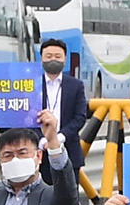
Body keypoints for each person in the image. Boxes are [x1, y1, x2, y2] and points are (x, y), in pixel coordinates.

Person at [39, 38, 92, 172]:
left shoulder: (76, 85)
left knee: (69, 192)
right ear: (41, 59)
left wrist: (59, 138)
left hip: (69, 150)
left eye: (58, 56)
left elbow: (80, 117)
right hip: (39, 153)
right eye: (48, 56)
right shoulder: (32, 85)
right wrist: (41, 141)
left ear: (65, 59)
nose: (53, 60)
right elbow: (25, 117)